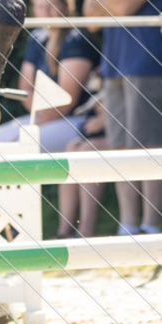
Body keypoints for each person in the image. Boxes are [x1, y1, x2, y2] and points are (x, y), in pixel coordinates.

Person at [83, 0, 162, 235]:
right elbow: (90, 17)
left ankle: (150, 226)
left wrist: (107, 2)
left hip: (145, 61)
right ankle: (127, 227)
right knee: (118, 148)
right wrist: (107, 2)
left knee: (146, 145)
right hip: (113, 62)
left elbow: (129, 4)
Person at [0, 0, 100, 152]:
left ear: (67, 6)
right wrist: (38, 118)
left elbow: (66, 102)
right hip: (42, 116)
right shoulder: (37, 38)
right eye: (40, 7)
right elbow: (26, 88)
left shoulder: (76, 40)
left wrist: (36, 125)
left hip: (76, 119)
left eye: (52, 6)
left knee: (18, 148)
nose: (45, 12)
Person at [55, 86, 108, 239]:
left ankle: (86, 230)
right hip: (101, 129)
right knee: (72, 148)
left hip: (125, 134)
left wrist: (105, 119)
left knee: (87, 151)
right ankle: (64, 230)